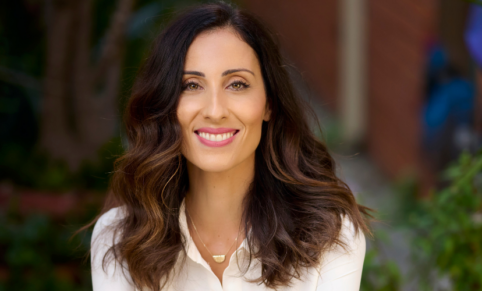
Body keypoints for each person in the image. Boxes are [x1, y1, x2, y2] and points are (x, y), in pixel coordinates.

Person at [88, 2, 372, 290]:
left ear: (269, 104)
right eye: (191, 85)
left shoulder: (329, 234)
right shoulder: (119, 239)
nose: (215, 110)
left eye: (237, 84)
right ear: (166, 106)